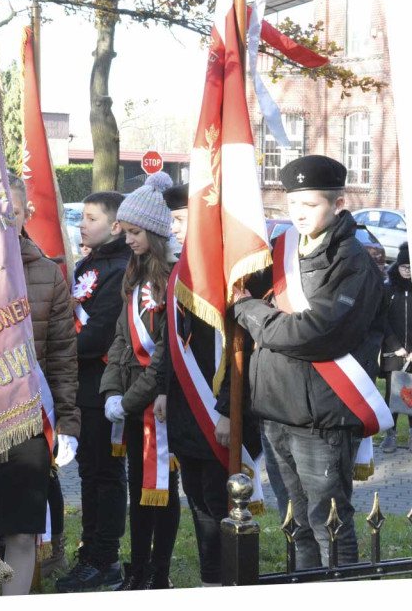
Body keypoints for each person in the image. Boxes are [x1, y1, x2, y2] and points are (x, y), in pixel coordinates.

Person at [229, 155, 386, 569]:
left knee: (328, 523)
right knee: (294, 524)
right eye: (293, 203)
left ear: (337, 204)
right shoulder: (278, 251)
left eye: (310, 204)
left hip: (323, 417)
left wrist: (249, 312)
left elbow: (315, 333)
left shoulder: (353, 260)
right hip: (275, 411)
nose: (299, 213)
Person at [0, 174, 80, 596]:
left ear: (26, 212)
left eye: (12, 209)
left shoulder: (49, 273)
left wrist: (68, 422)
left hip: (30, 420)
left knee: (23, 534)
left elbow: (64, 356)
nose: (3, 217)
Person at [160, 183, 261, 586]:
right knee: (198, 500)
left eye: (182, 220)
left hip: (217, 409)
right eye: (173, 220)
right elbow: (172, 340)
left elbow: (238, 349)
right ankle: (210, 581)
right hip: (185, 407)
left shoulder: (229, 270)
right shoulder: (182, 268)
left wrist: (225, 409)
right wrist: (164, 390)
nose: (175, 228)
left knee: (220, 499)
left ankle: (229, 581)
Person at [100, 172, 180, 590]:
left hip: (159, 399)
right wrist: (112, 391)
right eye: (126, 231)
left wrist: (129, 399)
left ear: (155, 231)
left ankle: (158, 571)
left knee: (162, 490)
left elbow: (165, 351)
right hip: (130, 398)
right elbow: (120, 338)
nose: (128, 239)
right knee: (138, 489)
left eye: (135, 232)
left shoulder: (173, 277)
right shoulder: (133, 275)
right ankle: (137, 566)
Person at [56, 190, 130, 592]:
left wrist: (54, 347)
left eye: (90, 218)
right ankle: (91, 552)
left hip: (104, 389)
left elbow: (99, 334)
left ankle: (106, 559)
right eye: (81, 217)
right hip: (80, 388)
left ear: (115, 225)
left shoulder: (119, 267)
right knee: (89, 474)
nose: (81, 224)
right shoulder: (90, 261)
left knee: (106, 474)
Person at [381, 242, 412, 452]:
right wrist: (396, 346)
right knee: (393, 393)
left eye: (411, 267)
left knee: (410, 393)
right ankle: (389, 435)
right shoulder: (388, 288)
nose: (408, 271)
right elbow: (382, 320)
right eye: (404, 267)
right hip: (394, 352)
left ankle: (410, 434)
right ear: (398, 267)